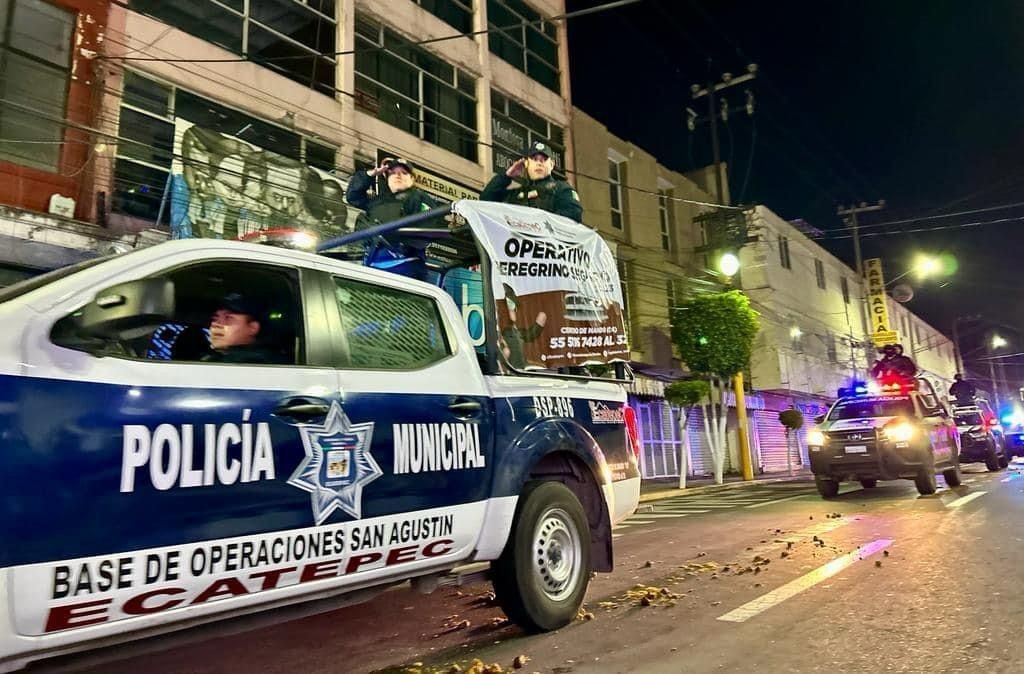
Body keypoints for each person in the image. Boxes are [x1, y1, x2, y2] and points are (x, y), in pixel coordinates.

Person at [480, 141, 582, 222]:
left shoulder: (562, 189)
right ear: (526, 163)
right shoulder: (516, 194)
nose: (539, 163)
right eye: (534, 159)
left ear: (551, 164)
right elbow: (485, 200)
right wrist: (507, 176)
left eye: (543, 160)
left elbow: (573, 215)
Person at [345, 157, 439, 228]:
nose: (398, 175)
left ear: (412, 179)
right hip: (373, 252)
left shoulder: (419, 198)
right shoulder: (379, 201)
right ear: (388, 180)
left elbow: (427, 225)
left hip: (404, 252)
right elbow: (353, 197)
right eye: (393, 173)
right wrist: (369, 175)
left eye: (404, 173)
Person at [203, 293, 279, 364]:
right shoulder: (216, 358)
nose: (215, 324)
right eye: (215, 318)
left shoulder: (258, 364)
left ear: (253, 328)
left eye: (228, 318)